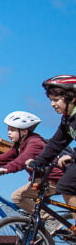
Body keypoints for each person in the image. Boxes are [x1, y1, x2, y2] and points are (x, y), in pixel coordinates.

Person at [0, 111, 64, 214]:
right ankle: (38, 225)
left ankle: (50, 222)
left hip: (52, 180)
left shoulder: (35, 142)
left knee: (17, 196)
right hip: (41, 180)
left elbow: (22, 160)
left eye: (12, 130)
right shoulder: (19, 145)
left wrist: (6, 169)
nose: (9, 133)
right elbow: (2, 158)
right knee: (28, 209)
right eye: (8, 129)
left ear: (24, 132)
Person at [28, 75, 76, 209]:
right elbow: (56, 143)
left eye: (56, 100)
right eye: (51, 100)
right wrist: (38, 162)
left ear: (71, 98)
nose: (52, 104)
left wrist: (72, 156)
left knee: (66, 186)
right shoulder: (68, 119)